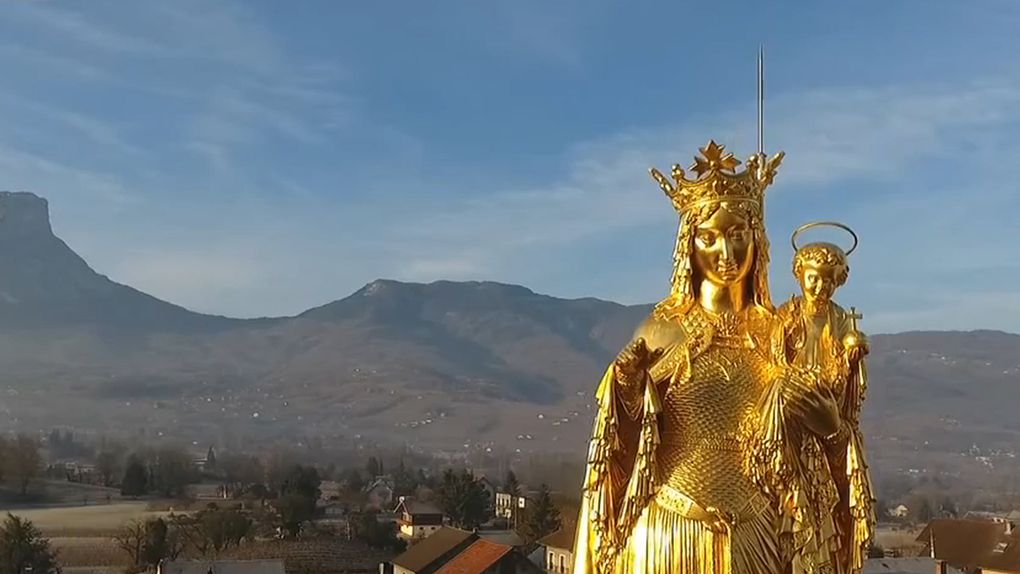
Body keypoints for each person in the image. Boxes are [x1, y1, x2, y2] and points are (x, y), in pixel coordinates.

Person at [572, 142, 846, 574]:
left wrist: (832, 431)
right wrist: (626, 388)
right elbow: (619, 445)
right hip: (669, 532)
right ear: (689, 245)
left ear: (757, 238)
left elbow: (815, 444)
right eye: (710, 237)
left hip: (759, 534)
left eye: (738, 235)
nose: (727, 254)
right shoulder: (662, 329)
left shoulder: (782, 333)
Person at [767, 231, 876, 574]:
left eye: (829, 281)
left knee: (826, 502)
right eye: (813, 278)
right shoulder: (786, 316)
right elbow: (773, 362)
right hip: (793, 413)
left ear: (838, 282)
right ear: (800, 275)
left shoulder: (841, 318)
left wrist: (854, 351)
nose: (820, 287)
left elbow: (849, 360)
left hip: (828, 408)